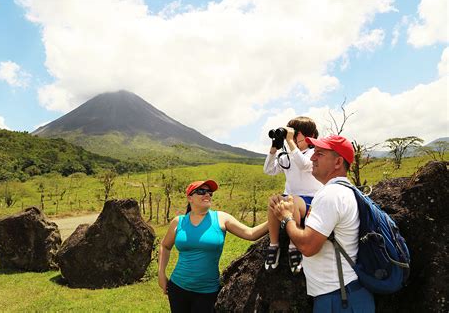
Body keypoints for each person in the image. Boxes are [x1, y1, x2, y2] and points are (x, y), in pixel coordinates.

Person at [269, 135, 375, 312]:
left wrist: (287, 217)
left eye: (319, 154)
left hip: (339, 298)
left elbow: (308, 246)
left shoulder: (330, 195)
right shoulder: (347, 191)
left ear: (338, 162)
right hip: (346, 294)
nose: (312, 157)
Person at [158, 180, 269, 313]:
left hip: (207, 292)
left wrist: (276, 217)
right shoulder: (179, 221)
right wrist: (161, 273)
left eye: (210, 192)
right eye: (201, 191)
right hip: (178, 288)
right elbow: (165, 246)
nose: (207, 195)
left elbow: (251, 233)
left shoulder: (221, 218)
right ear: (189, 198)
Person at [264, 116, 323, 272]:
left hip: (309, 200)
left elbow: (304, 165)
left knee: (292, 200)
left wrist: (290, 143)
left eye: (295, 132)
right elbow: (269, 170)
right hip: (290, 199)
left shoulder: (315, 153)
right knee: (273, 201)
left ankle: (293, 246)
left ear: (309, 136)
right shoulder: (288, 155)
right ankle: (274, 245)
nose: (292, 135)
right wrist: (273, 149)